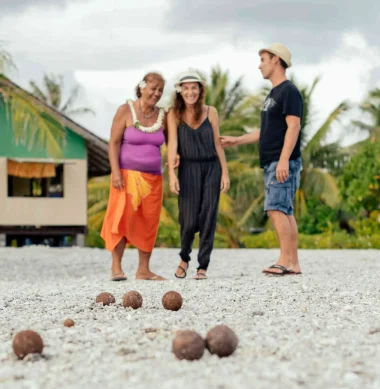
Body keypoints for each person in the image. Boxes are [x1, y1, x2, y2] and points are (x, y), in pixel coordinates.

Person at [221, 43, 303, 275]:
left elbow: (294, 126)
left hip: (281, 160)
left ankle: (285, 260)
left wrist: (284, 159)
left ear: (276, 60)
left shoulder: (288, 91)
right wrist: (236, 141)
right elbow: (267, 131)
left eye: (263, 60)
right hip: (274, 160)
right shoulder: (273, 94)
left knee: (276, 209)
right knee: (285, 210)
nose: (260, 65)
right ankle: (293, 263)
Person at [101, 72, 167, 281]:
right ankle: (116, 267)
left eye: (160, 91)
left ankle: (143, 270)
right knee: (120, 219)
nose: (156, 94)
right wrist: (115, 172)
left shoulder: (163, 116)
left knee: (148, 221)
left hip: (153, 179)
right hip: (126, 176)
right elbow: (113, 142)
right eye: (153, 88)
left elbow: (173, 143)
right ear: (142, 87)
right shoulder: (125, 110)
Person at [167, 72, 230, 280]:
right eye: (186, 88)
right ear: (180, 91)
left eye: (194, 88)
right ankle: (184, 257)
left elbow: (218, 144)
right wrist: (172, 175)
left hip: (212, 167)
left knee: (208, 216)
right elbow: (173, 145)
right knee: (188, 219)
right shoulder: (173, 114)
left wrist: (225, 173)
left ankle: (202, 266)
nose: (190, 92)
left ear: (200, 91)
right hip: (188, 169)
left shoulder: (211, 112)